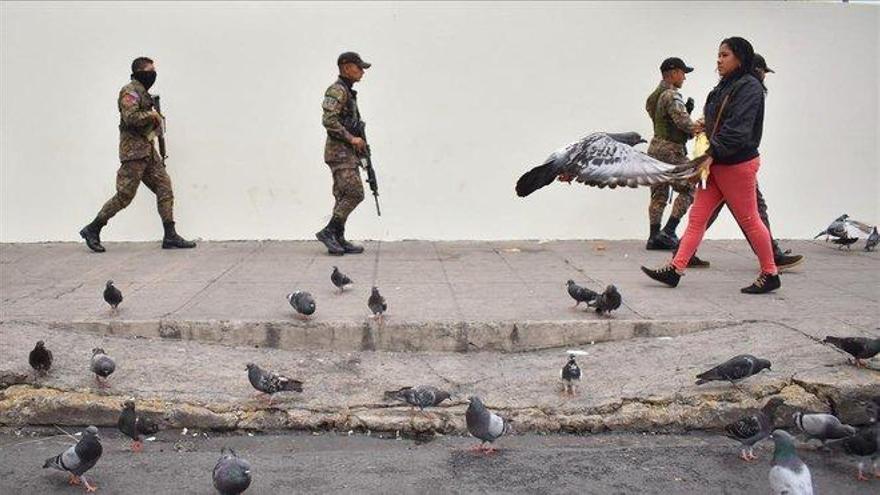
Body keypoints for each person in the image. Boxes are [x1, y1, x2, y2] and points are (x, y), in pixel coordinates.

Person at [641, 37, 780, 294]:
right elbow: (717, 121)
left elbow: (737, 130)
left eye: (725, 55)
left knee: (750, 219)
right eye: (718, 54)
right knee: (697, 217)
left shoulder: (749, 87)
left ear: (740, 57)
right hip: (717, 162)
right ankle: (676, 268)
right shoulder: (726, 86)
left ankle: (770, 272)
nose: (719, 59)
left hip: (735, 164)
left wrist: (709, 154)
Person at [79, 57, 195, 252]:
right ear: (140, 72)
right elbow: (130, 117)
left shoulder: (144, 93)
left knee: (164, 187)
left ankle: (170, 235)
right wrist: (152, 115)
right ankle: (93, 228)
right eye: (150, 70)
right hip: (133, 153)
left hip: (147, 151)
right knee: (124, 196)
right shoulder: (130, 92)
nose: (153, 74)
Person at [701, 54, 804, 270]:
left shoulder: (728, 88)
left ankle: (680, 257)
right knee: (753, 213)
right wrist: (714, 152)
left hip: (724, 159)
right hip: (734, 162)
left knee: (705, 213)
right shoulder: (748, 89)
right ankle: (771, 263)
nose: (763, 76)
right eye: (762, 71)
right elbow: (737, 130)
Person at [644, 58, 707, 267]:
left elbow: (665, 120)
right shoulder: (672, 95)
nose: (685, 77)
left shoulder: (653, 97)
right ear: (672, 73)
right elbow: (684, 124)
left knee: (659, 191)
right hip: (671, 150)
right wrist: (700, 124)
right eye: (682, 72)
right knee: (691, 187)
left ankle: (654, 236)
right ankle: (669, 231)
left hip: (655, 149)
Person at [315, 52, 371, 256]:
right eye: (359, 67)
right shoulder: (337, 90)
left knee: (342, 195)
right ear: (346, 67)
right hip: (340, 154)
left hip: (346, 154)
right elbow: (329, 120)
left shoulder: (348, 91)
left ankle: (338, 237)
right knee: (355, 193)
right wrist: (351, 138)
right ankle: (329, 231)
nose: (362, 71)